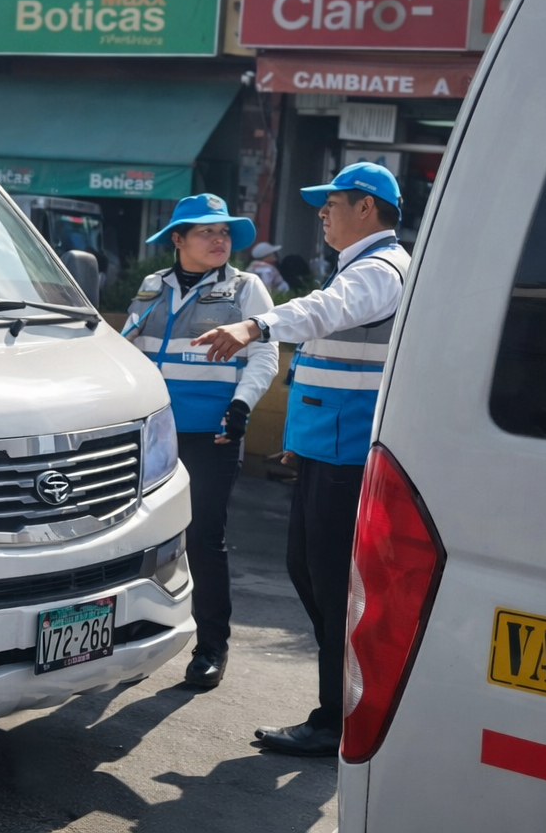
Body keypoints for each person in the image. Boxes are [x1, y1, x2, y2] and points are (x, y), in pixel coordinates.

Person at [191, 162, 410, 757]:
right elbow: (330, 363)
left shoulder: (380, 270)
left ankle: (337, 720)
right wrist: (299, 436)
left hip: (348, 458)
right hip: (327, 449)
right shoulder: (362, 268)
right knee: (311, 574)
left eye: (331, 203)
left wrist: (256, 325)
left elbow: (322, 313)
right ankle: (344, 705)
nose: (322, 214)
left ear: (366, 207)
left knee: (336, 589)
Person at [121, 193, 279, 691]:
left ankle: (211, 646)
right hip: (153, 436)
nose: (219, 240)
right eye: (207, 232)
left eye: (225, 232)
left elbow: (265, 357)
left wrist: (241, 407)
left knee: (204, 540)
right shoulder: (152, 286)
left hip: (214, 432)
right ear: (178, 240)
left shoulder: (246, 288)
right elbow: (126, 350)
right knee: (135, 539)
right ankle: (131, 639)